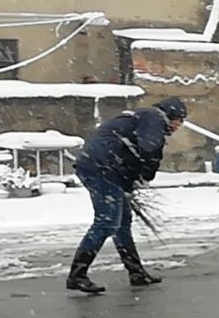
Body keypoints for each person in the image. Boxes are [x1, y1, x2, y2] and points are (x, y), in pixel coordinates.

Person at [66, 97, 187, 294]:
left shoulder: (143, 117)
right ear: (171, 114)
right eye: (179, 120)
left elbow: (130, 151)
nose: (179, 125)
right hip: (101, 169)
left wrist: (131, 182)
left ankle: (136, 272)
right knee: (106, 223)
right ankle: (77, 275)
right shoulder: (154, 117)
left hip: (104, 168)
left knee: (122, 223)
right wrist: (146, 174)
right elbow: (149, 149)